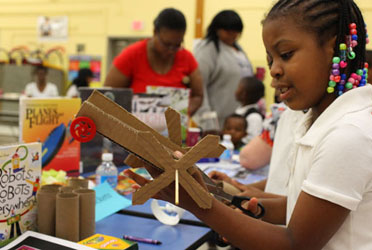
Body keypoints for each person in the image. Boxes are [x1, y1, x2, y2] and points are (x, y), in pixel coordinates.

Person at [125, 0, 372, 249]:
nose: (274, 71)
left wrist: (197, 202)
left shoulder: (348, 134)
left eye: (285, 55)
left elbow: (295, 243)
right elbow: (303, 208)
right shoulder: (316, 122)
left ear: (332, 47)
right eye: (270, 60)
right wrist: (242, 204)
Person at [104, 8, 203, 116]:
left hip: (173, 129)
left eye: (177, 45)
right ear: (155, 32)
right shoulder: (131, 55)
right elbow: (108, 95)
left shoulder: (187, 58)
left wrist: (182, 113)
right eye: (166, 44)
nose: (171, 50)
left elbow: (198, 96)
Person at [193, 10, 253, 131]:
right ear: (217, 29)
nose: (233, 35)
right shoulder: (208, 49)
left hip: (240, 123)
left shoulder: (238, 49)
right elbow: (198, 87)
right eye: (228, 31)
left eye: (236, 32)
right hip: (217, 124)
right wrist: (208, 123)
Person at [235, 76, 265, 141]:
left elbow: (252, 140)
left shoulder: (254, 117)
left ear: (244, 94)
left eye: (238, 88)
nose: (235, 90)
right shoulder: (240, 110)